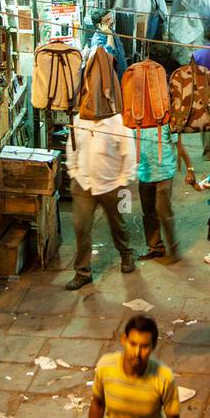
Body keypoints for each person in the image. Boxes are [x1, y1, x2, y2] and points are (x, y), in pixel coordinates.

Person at [81, 314, 182, 418]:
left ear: (153, 347)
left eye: (144, 346)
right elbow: (98, 404)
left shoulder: (164, 378)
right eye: (133, 344)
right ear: (123, 340)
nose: (137, 353)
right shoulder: (105, 367)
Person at [65, 101, 137, 290]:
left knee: (117, 223)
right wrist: (73, 171)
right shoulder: (79, 120)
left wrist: (124, 181)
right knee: (81, 227)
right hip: (83, 184)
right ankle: (82, 272)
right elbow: (71, 147)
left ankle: (126, 253)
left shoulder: (119, 122)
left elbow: (128, 154)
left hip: (112, 185)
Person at [137, 124, 191, 264]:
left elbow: (178, 145)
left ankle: (173, 249)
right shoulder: (135, 122)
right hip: (144, 174)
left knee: (163, 212)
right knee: (148, 213)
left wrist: (190, 168)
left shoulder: (165, 121)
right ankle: (155, 247)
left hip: (164, 173)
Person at [87, 8, 127, 77]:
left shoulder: (111, 31)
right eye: (107, 20)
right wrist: (109, 35)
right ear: (99, 25)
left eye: (111, 18)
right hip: (111, 79)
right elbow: (108, 58)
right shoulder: (97, 41)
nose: (111, 21)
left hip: (121, 74)